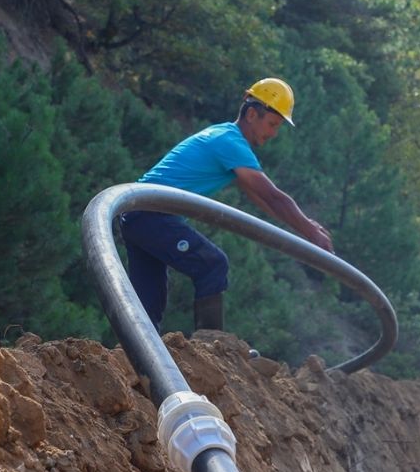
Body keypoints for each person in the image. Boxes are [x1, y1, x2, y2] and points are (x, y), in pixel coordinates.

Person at [119, 78, 333, 333]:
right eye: (272, 124)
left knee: (149, 305)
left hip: (139, 215)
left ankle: (139, 363)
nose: (274, 133)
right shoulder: (229, 142)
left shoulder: (225, 138)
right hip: (149, 213)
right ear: (252, 114)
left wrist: (305, 229)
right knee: (212, 265)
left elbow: (265, 200)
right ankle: (211, 349)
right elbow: (275, 197)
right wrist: (311, 233)